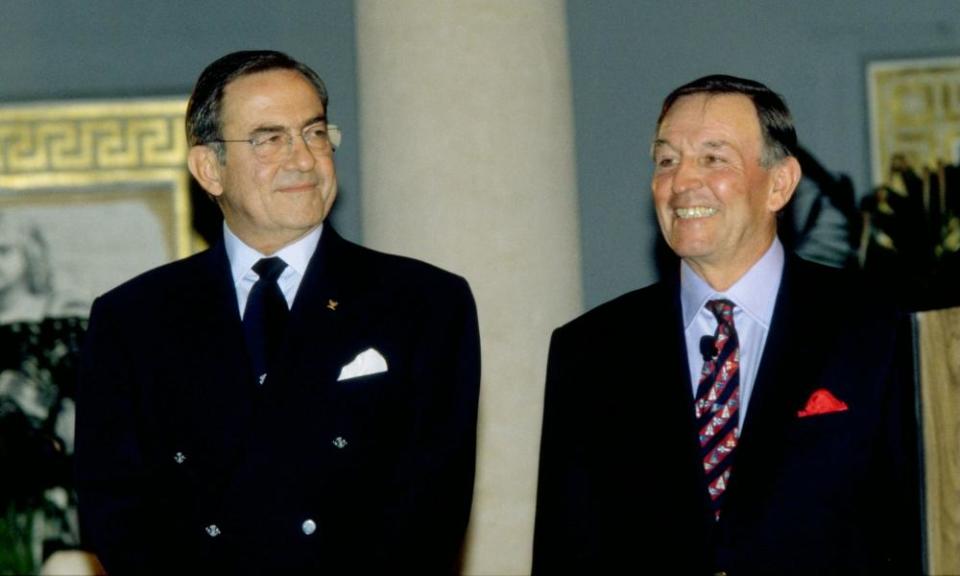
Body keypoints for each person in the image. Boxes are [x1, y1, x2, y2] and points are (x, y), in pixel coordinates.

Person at [76, 50, 480, 574]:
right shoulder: (133, 320)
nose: (304, 160)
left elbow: (431, 510)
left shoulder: (423, 303)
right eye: (271, 139)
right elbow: (117, 513)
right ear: (209, 168)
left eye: (314, 133)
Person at [532, 75, 920, 574]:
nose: (682, 182)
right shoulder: (590, 349)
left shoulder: (878, 327)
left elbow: (914, 528)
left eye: (713, 159)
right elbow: (567, 549)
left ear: (779, 183)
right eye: (667, 160)